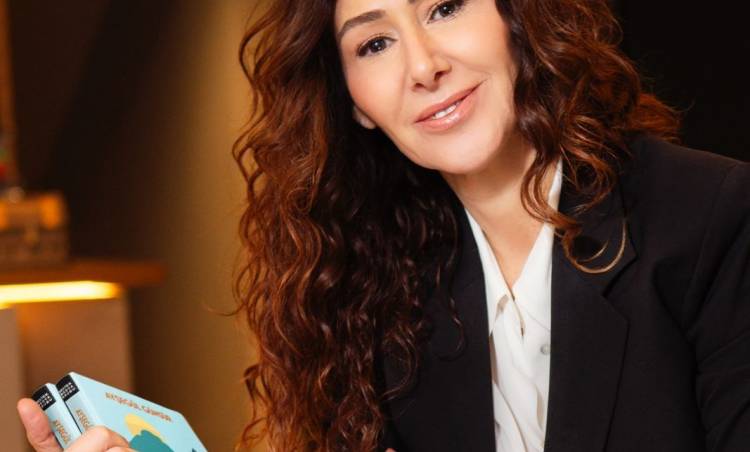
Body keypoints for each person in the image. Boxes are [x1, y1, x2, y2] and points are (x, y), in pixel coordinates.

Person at [17, 0, 750, 451]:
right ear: (355, 103)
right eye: (374, 43)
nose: (424, 66)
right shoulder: (374, 282)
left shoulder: (712, 214)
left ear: (514, 16)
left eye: (445, 7)